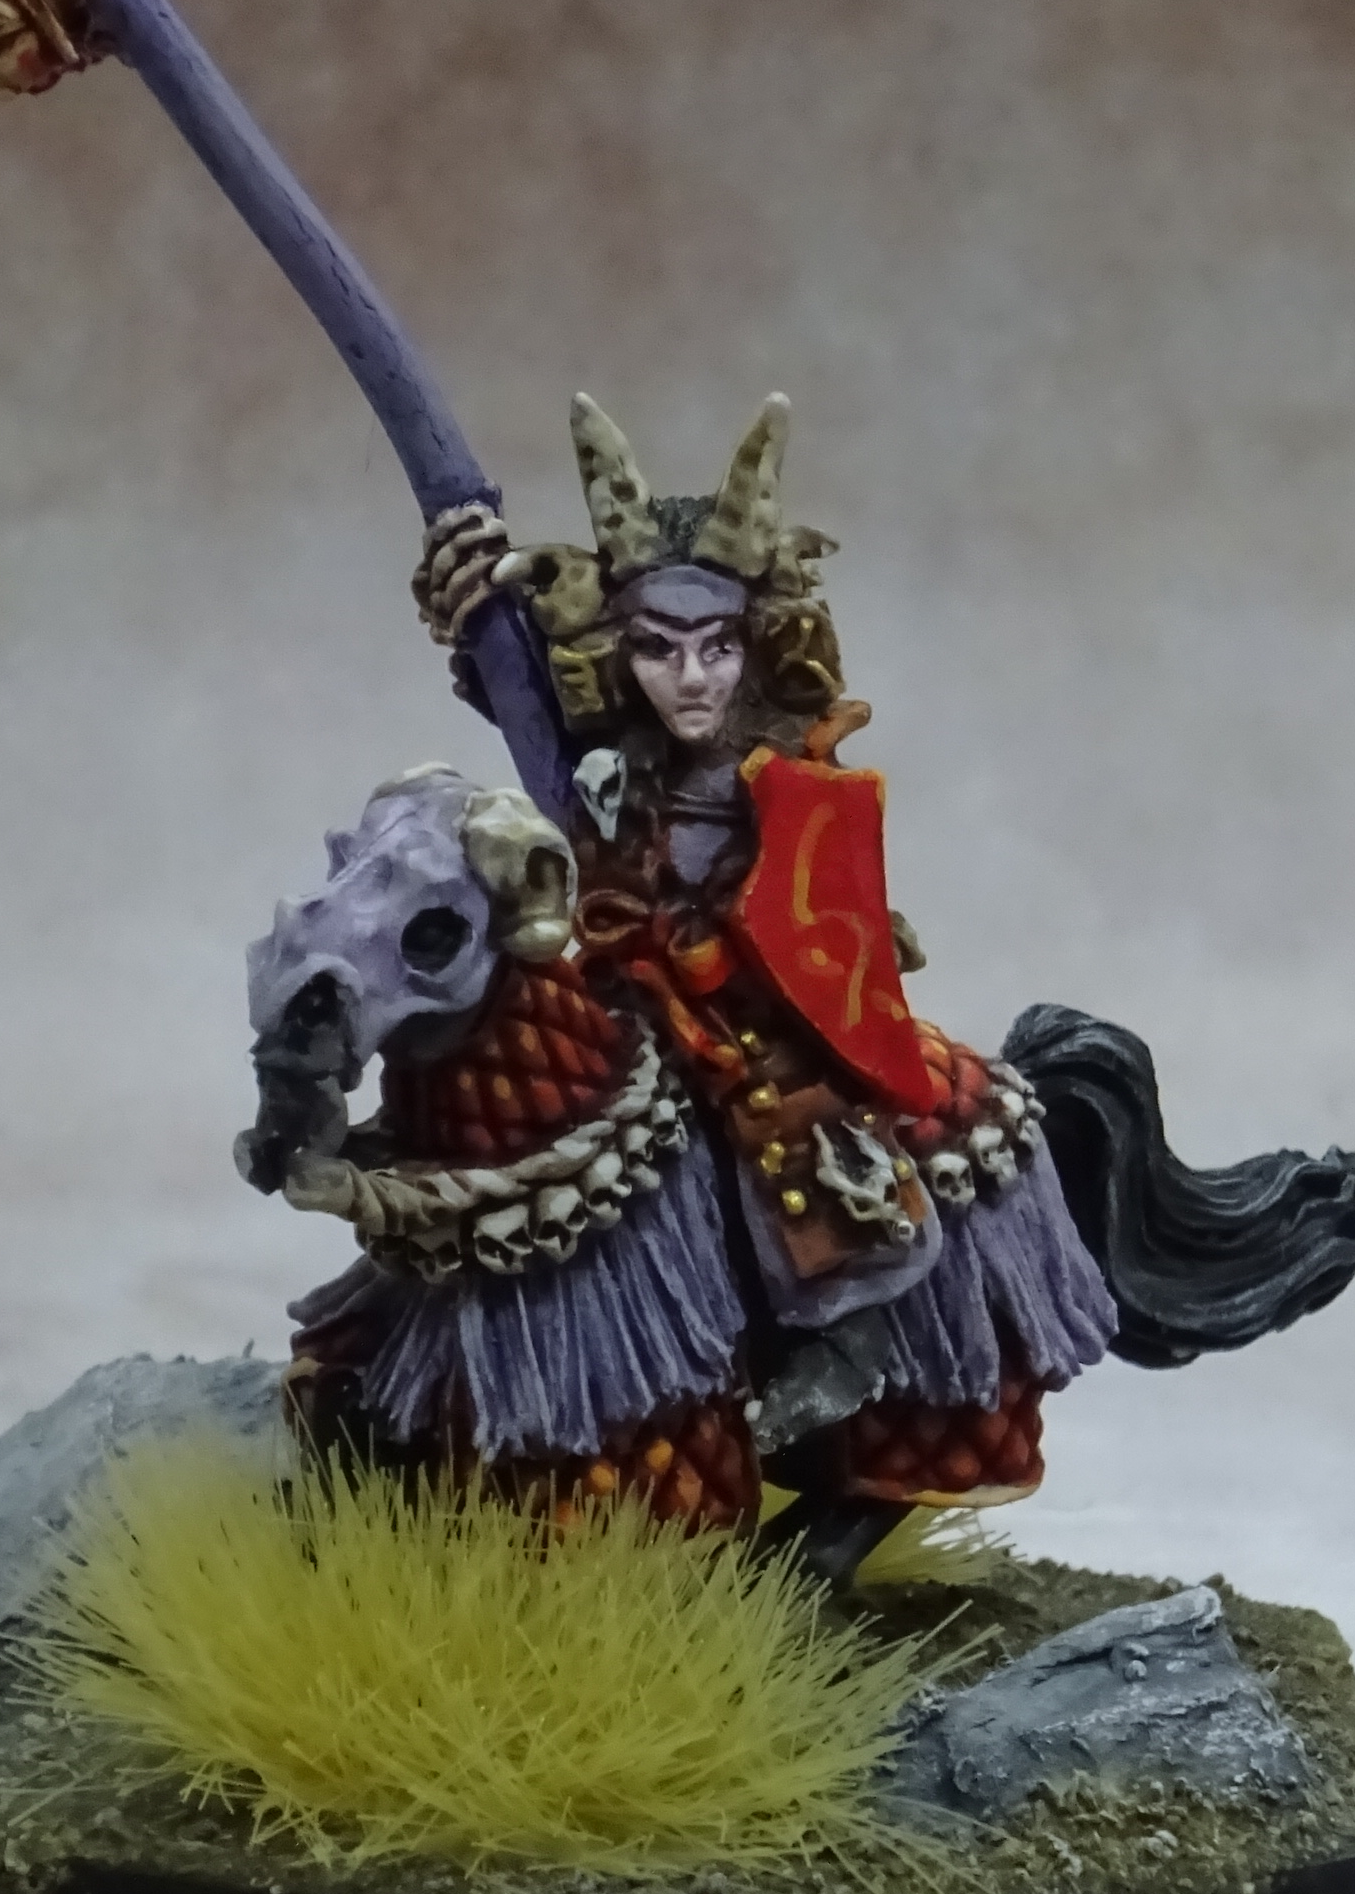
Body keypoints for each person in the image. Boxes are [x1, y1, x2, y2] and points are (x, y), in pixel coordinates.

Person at [353, 394, 1123, 1582]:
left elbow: (820, 931)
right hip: (620, 1003)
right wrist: (465, 601)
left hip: (753, 1023)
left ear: (756, 645)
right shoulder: (602, 758)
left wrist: (703, 954)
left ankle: (841, 1342)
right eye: (658, 648)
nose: (690, 676)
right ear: (621, 650)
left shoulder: (790, 778)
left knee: (780, 1144)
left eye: (715, 647)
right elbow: (507, 682)